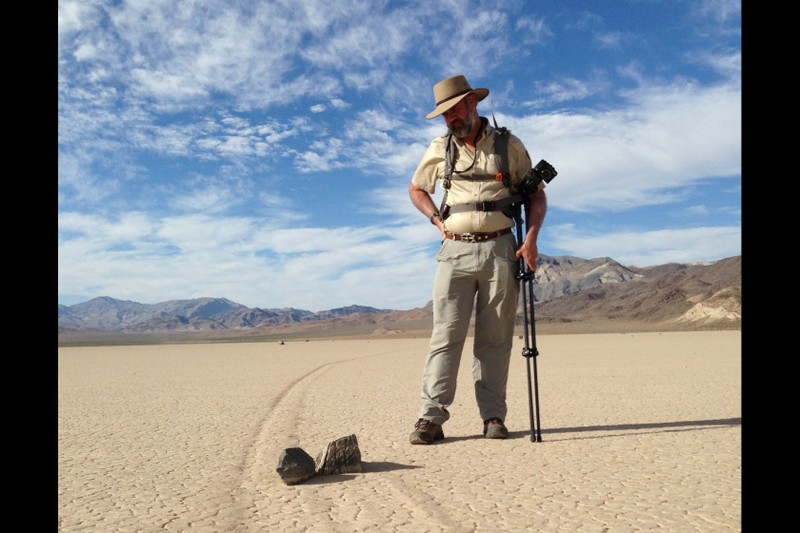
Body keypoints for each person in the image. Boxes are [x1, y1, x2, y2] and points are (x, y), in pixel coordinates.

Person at [408, 74, 548, 444]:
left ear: (473, 104)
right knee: (446, 335)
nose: (451, 119)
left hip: (500, 249)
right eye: (445, 115)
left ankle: (493, 417)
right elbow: (416, 188)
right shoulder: (440, 148)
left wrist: (530, 240)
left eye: (455, 110)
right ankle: (430, 418)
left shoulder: (508, 145)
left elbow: (536, 195)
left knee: (495, 339)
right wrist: (436, 219)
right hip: (453, 250)